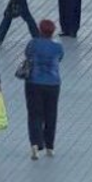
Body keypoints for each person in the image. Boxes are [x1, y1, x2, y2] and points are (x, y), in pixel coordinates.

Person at [24, 19, 64, 159]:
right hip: (53, 83)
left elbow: (27, 55)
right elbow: (60, 59)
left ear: (40, 30)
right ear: (52, 32)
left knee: (34, 114)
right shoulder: (58, 47)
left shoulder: (33, 44)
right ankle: (50, 146)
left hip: (34, 82)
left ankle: (35, 144)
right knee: (51, 114)